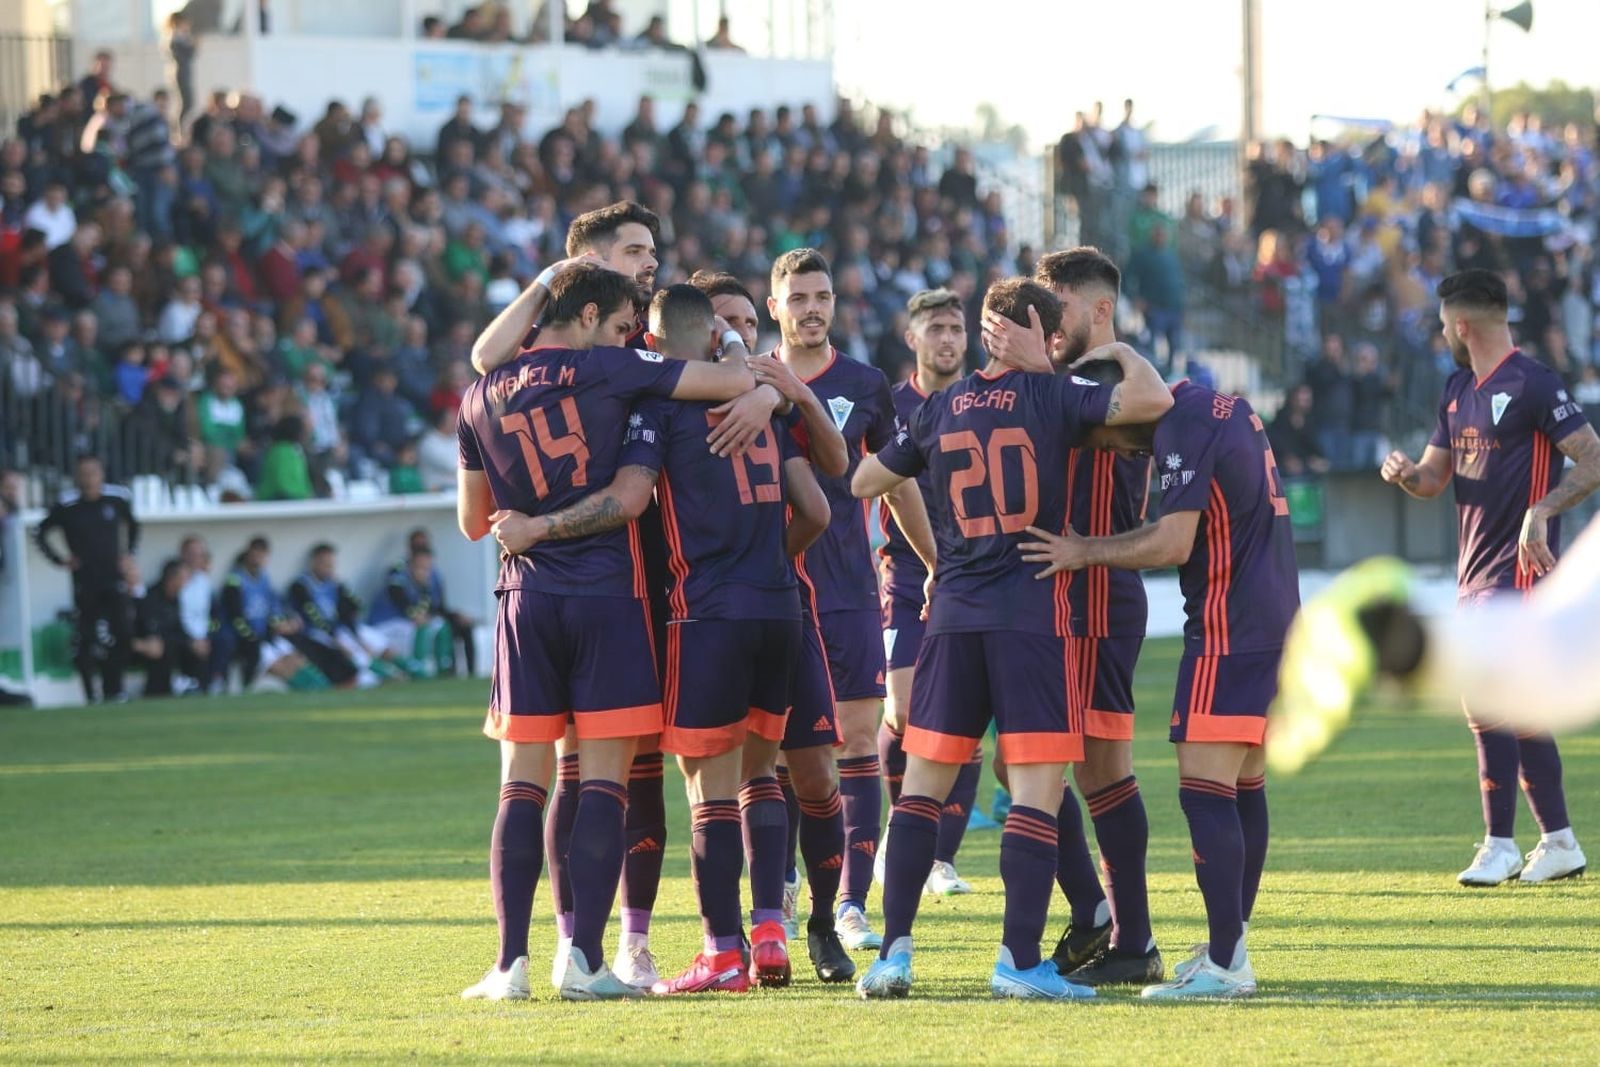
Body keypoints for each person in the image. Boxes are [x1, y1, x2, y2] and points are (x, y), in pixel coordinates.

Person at [489, 284, 834, 993]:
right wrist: (767, 561)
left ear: (648, 341)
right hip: (780, 608)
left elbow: (632, 495)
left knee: (707, 789)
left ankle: (723, 952)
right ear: (715, 337)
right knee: (762, 776)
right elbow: (819, 509)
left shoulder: (654, 405)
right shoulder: (765, 405)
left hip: (702, 612)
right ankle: (772, 928)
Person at [849, 277, 1172, 1001]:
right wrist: (1119, 350)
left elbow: (868, 479)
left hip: (952, 616)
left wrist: (927, 493)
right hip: (1030, 617)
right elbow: (1151, 400)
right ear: (1038, 331)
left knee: (920, 790)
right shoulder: (1054, 396)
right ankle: (1018, 961)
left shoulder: (938, 406)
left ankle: (893, 956)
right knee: (1033, 791)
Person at [1016, 369, 1299, 999]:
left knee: (1204, 794)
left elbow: (1173, 542)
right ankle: (1229, 946)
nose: (1118, 452)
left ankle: (1227, 965)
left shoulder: (1180, 425)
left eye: (1108, 438)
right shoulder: (1223, 405)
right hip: (1276, 616)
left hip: (1229, 627)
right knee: (1243, 786)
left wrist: (1084, 550)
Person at [1378, 269, 1600, 886]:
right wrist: (1405, 473)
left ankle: (1500, 844)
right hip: (1473, 573)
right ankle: (1559, 841)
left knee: (1483, 692)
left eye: (1443, 326)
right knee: (1515, 704)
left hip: (1519, 571)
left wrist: (1542, 510)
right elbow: (1432, 478)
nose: (1443, 335)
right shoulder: (1456, 389)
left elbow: (1593, 456)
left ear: (1461, 325)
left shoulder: (1534, 383)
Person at [693, 270, 861, 982]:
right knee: (747, 777)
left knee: (804, 777)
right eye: (725, 323)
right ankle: (761, 928)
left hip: (771, 605)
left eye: (746, 324)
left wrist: (785, 392)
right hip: (747, 608)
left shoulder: (773, 396)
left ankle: (806, 925)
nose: (740, 337)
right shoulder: (683, 401)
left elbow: (836, 470)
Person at [761, 248, 904, 953]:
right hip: (773, 592)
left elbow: (898, 479)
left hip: (847, 589)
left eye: (821, 296)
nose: (812, 308)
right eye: (799, 298)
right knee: (783, 756)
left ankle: (851, 902)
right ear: (775, 307)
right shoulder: (749, 380)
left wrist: (932, 561)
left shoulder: (866, 384)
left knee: (855, 743)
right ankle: (786, 886)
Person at [1026, 247, 1163, 985]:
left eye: (1061, 306)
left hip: (1095, 596)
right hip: (1051, 594)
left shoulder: (1110, 379)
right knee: (1031, 764)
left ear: (1100, 309)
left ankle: (1128, 936)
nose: (1048, 320)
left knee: (1099, 770)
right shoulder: (1069, 379)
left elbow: (1156, 407)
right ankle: (1096, 912)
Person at [874, 289, 985, 899]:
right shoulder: (890, 406)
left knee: (964, 715)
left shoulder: (982, 402)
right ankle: (900, 830)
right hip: (905, 576)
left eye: (956, 329)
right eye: (936, 328)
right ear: (912, 337)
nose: (947, 339)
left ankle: (939, 856)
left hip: (973, 575)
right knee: (904, 710)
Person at [35, 455, 140, 704]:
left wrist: (128, 555)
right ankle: (91, 695)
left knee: (122, 633)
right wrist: (60, 560)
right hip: (85, 582)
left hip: (113, 578)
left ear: (101, 474)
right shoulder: (68, 505)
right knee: (86, 639)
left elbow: (134, 526)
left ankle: (114, 689)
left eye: (93, 472)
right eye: (84, 473)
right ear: (77, 476)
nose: (89, 479)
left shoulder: (116, 500)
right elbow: (40, 532)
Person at [215, 537, 328, 692]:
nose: (259, 558)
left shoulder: (264, 578)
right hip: (250, 640)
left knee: (297, 658)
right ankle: (305, 690)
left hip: (268, 635)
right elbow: (236, 617)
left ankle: (321, 687)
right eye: (256, 554)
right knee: (279, 664)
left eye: (262, 555)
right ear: (248, 554)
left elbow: (274, 608)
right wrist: (253, 637)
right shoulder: (234, 580)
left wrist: (282, 623)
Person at [287, 543, 401, 688]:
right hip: (315, 633)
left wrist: (342, 586)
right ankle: (372, 676)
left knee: (366, 643)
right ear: (314, 562)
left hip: (337, 629)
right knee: (349, 649)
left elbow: (356, 606)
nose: (329, 568)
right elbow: (312, 617)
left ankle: (388, 671)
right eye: (324, 563)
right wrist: (335, 637)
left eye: (331, 564)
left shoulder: (334, 585)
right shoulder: (301, 586)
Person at [130, 558, 202, 696]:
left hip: (169, 642)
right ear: (171, 578)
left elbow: (178, 627)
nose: (186, 582)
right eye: (183, 577)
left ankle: (194, 686)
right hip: (145, 645)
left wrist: (193, 641)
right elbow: (149, 628)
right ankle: (156, 693)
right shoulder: (151, 597)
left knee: (197, 648)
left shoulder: (175, 599)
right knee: (164, 649)